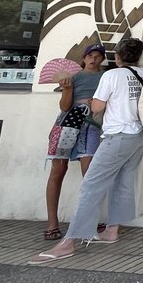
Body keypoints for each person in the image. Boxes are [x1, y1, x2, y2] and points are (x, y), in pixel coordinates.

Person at [28, 37, 143, 264]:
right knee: (124, 180)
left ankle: (69, 242)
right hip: (141, 134)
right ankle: (112, 229)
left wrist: (98, 100)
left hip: (118, 135)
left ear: (117, 57)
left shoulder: (111, 75)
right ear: (138, 57)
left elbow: (97, 107)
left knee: (91, 186)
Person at [43, 43, 106, 240]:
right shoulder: (74, 77)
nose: (93, 59)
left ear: (102, 59)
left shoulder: (106, 78)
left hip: (92, 124)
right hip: (67, 124)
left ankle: (88, 220)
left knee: (90, 174)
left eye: (97, 56)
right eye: (90, 55)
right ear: (84, 57)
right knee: (57, 170)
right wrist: (68, 89)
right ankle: (52, 223)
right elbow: (64, 106)